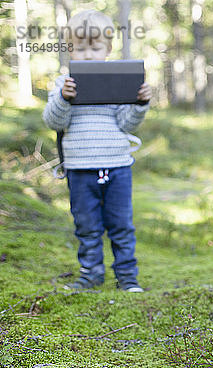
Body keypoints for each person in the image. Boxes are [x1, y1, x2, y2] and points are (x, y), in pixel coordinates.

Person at [42, 10, 151, 292]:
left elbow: (128, 124)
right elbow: (54, 121)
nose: (88, 55)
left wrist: (139, 104)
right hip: (79, 169)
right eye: (80, 48)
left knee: (121, 225)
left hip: (116, 166)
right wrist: (64, 99)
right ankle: (91, 274)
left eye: (95, 48)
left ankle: (127, 277)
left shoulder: (116, 82)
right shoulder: (62, 84)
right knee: (87, 226)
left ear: (108, 49)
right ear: (70, 50)